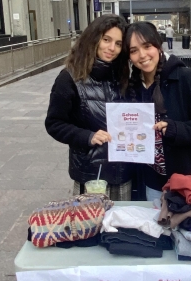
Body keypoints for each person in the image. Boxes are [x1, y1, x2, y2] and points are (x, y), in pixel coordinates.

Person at [124, 22, 191, 201]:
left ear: (158, 45)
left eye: (147, 46)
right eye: (134, 50)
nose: (142, 55)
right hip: (152, 182)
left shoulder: (188, 78)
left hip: (189, 182)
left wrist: (176, 129)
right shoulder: (133, 88)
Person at [45, 14, 133, 201]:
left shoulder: (123, 75)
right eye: (106, 40)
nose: (112, 48)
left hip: (122, 170)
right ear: (93, 38)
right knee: (91, 227)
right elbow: (54, 123)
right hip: (91, 174)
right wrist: (88, 137)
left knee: (121, 228)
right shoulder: (69, 78)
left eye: (118, 44)